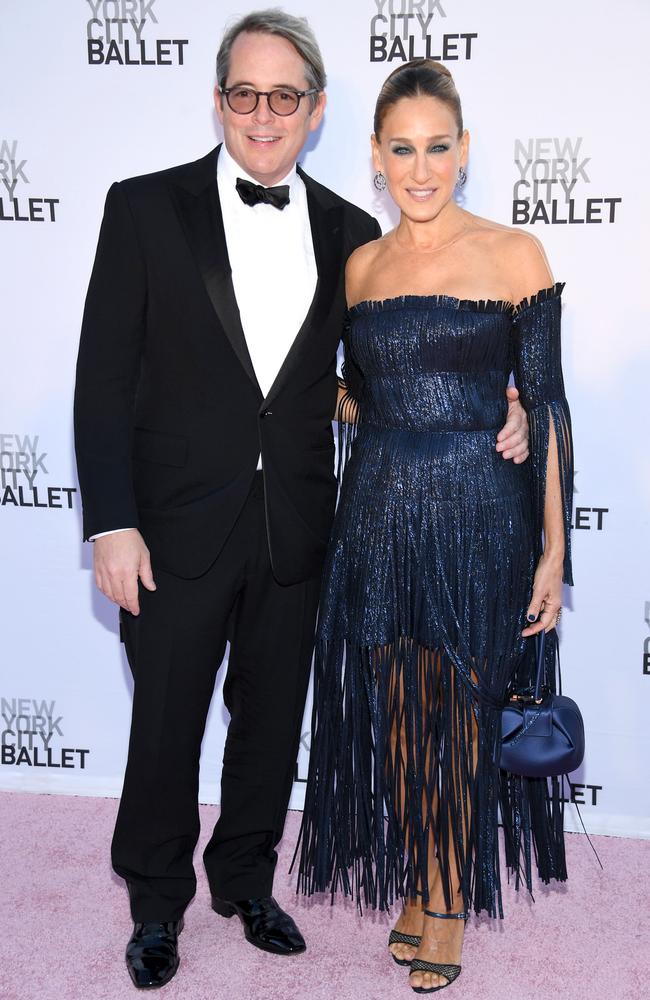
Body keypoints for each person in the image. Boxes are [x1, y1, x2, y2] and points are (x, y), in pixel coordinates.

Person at [74, 12, 530, 989]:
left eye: (285, 95)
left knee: (272, 720)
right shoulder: (144, 209)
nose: (263, 112)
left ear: (317, 112)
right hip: (173, 527)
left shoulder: (350, 233)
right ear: (218, 99)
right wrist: (111, 522)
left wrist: (493, 400)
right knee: (163, 724)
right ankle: (155, 905)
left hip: (300, 526)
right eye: (245, 92)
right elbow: (103, 380)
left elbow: (361, 378)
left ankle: (244, 880)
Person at [296, 59, 574, 994]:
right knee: (403, 718)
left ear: (466, 150)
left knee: (458, 708)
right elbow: (347, 387)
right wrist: (351, 402)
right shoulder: (362, 267)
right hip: (376, 514)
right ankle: (422, 873)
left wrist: (555, 552)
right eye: (403, 150)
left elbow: (552, 408)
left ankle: (449, 896)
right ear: (375, 157)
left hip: (477, 515)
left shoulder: (514, 254)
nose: (422, 169)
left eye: (439, 147)